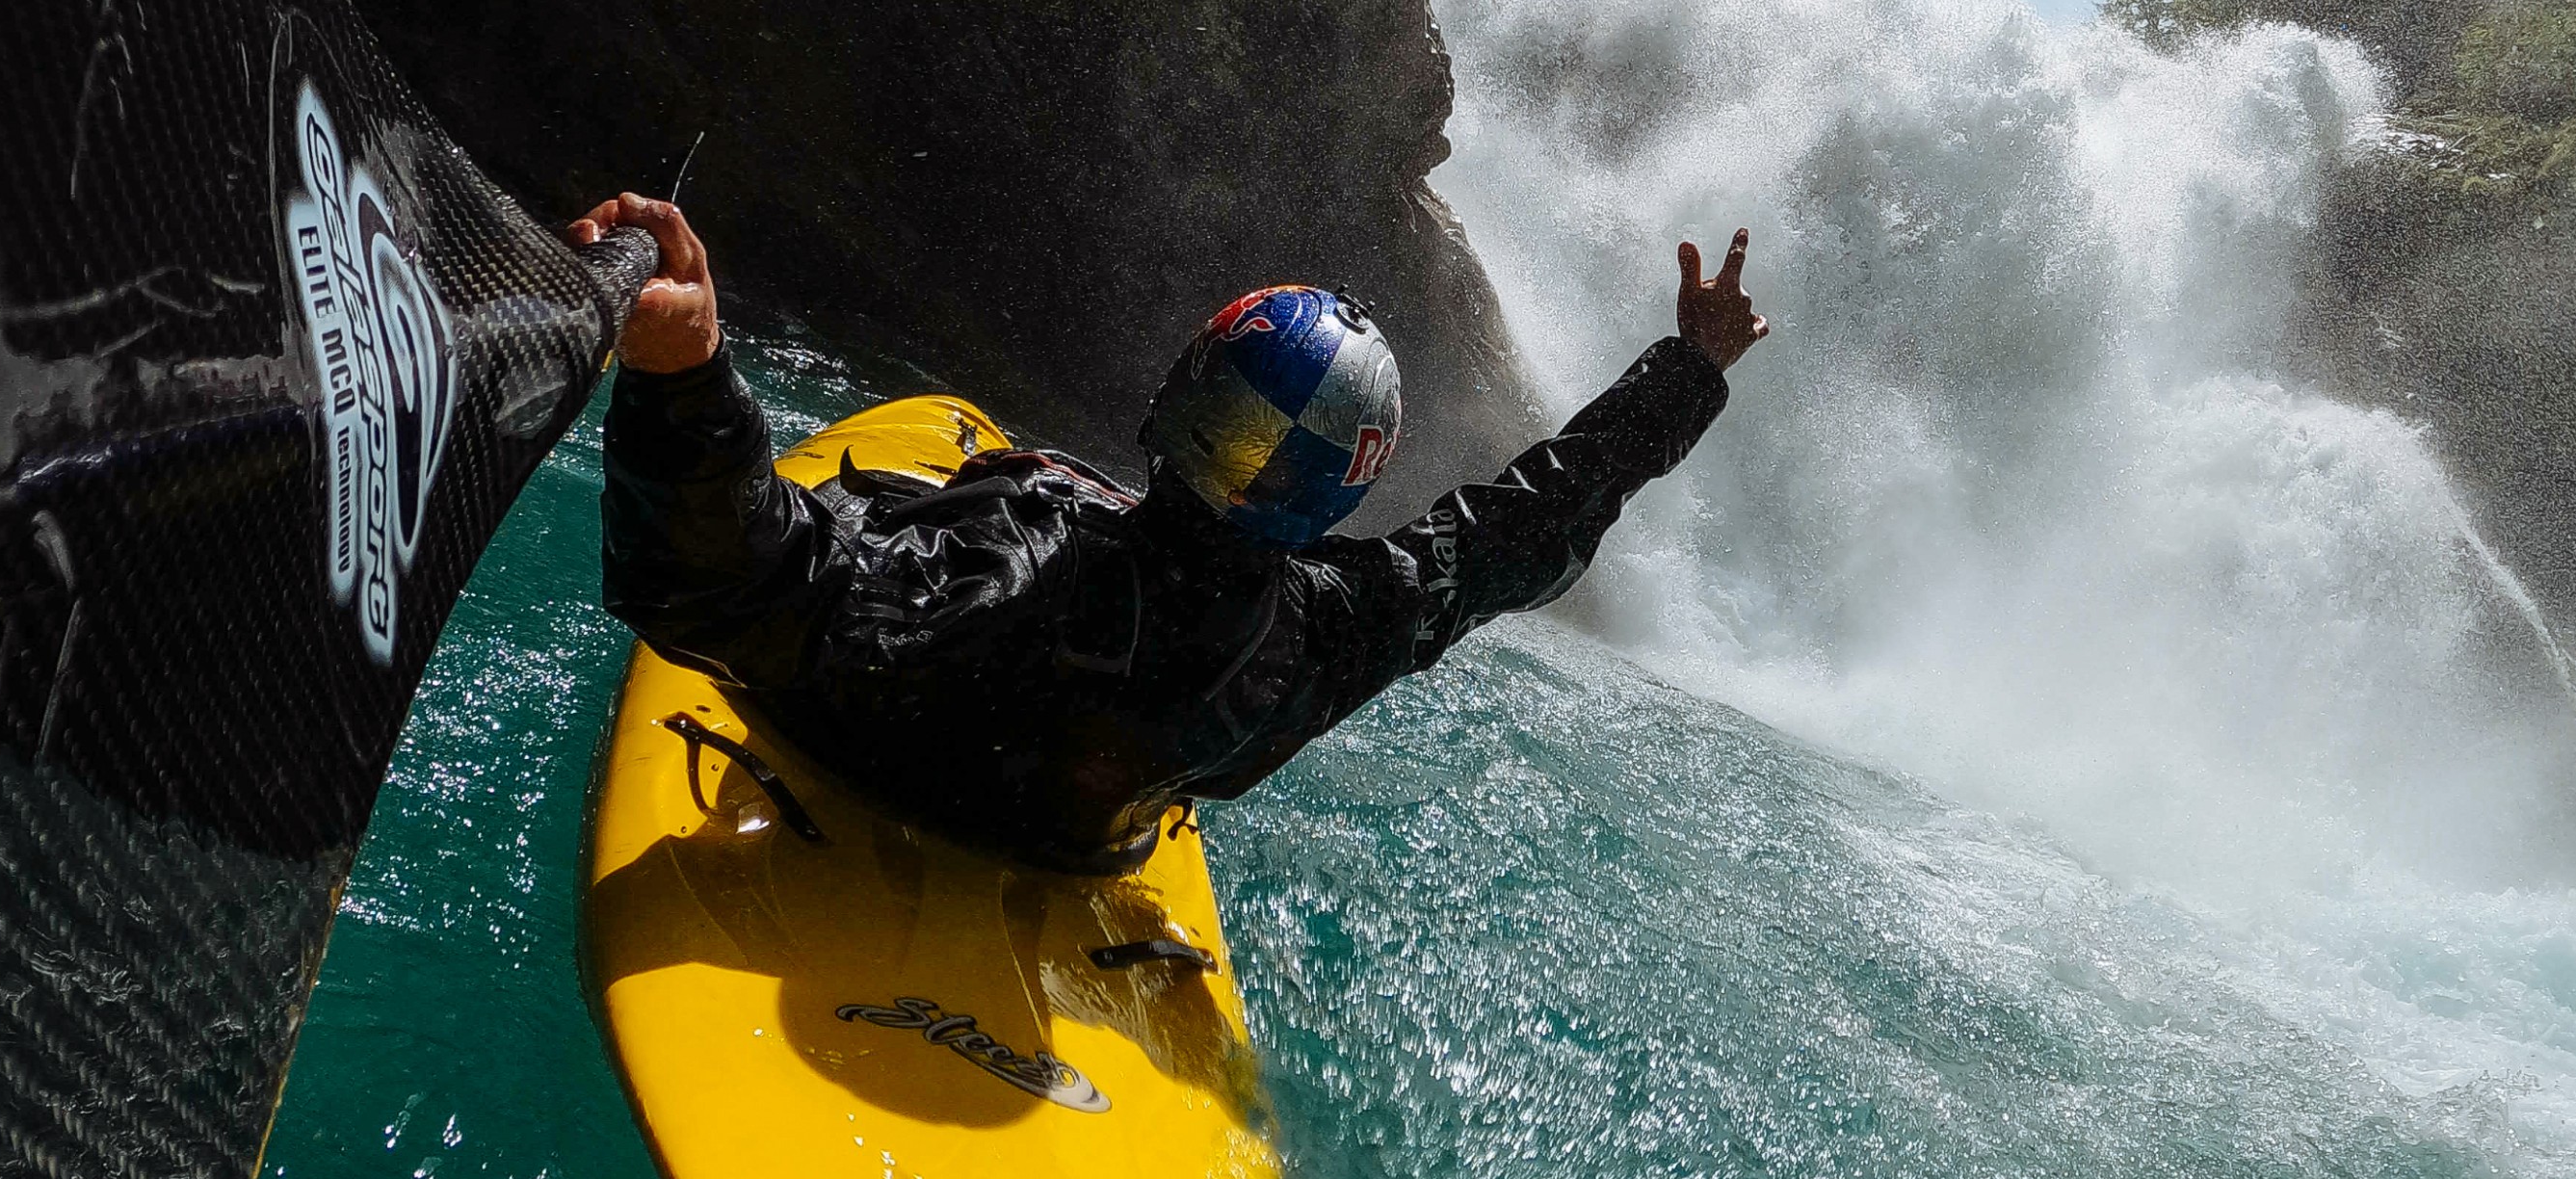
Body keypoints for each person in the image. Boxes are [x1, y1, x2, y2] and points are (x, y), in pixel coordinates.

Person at [571, 193, 1768, 873]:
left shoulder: (1005, 570)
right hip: (1069, 847)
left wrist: (687, 373)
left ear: (1192, 386)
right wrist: (1690, 369)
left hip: (853, 759)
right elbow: (1520, 529)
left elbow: (724, 582)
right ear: (1343, 488)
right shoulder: (1327, 635)